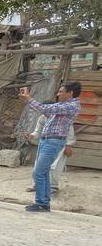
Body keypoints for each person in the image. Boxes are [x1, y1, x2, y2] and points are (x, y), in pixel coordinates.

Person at [18, 82, 81, 212]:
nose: (58, 94)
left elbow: (46, 109)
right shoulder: (62, 105)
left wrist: (29, 98)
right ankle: (44, 203)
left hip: (53, 142)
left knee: (39, 172)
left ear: (71, 93)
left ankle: (42, 203)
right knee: (44, 172)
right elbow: (45, 111)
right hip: (47, 141)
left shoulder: (71, 105)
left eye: (61, 91)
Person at [25, 114, 76, 194]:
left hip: (59, 144)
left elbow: (70, 134)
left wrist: (68, 145)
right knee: (39, 165)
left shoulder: (64, 118)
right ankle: (36, 184)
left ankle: (53, 186)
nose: (45, 113)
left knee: (55, 166)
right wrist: (32, 135)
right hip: (45, 143)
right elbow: (37, 131)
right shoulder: (42, 118)